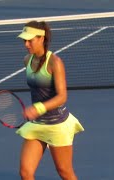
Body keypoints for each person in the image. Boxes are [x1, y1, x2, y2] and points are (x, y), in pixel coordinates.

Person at [16, 20, 84, 180]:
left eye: (30, 40)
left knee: (65, 172)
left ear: (41, 38)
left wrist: (37, 108)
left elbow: (62, 97)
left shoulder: (55, 62)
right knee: (25, 173)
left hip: (57, 125)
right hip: (37, 124)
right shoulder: (27, 60)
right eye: (24, 40)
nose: (26, 44)